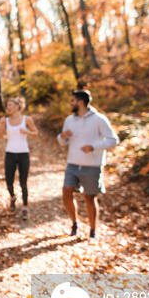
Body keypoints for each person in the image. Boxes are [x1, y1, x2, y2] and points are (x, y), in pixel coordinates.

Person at [57, 90, 119, 240]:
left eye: (72, 100)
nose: (70, 103)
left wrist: (93, 146)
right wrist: (62, 136)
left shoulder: (99, 119)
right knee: (66, 191)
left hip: (92, 165)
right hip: (72, 163)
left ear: (80, 102)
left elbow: (113, 140)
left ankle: (92, 230)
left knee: (89, 198)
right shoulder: (69, 120)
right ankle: (74, 223)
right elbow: (61, 142)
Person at [0, 96, 38, 221]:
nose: (8, 107)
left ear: (17, 107)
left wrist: (26, 132)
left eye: (10, 105)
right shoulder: (6, 120)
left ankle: (25, 207)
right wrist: (1, 124)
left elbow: (36, 134)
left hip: (23, 153)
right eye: (7, 105)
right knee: (9, 181)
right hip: (10, 153)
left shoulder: (27, 119)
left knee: (23, 182)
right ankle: (12, 197)